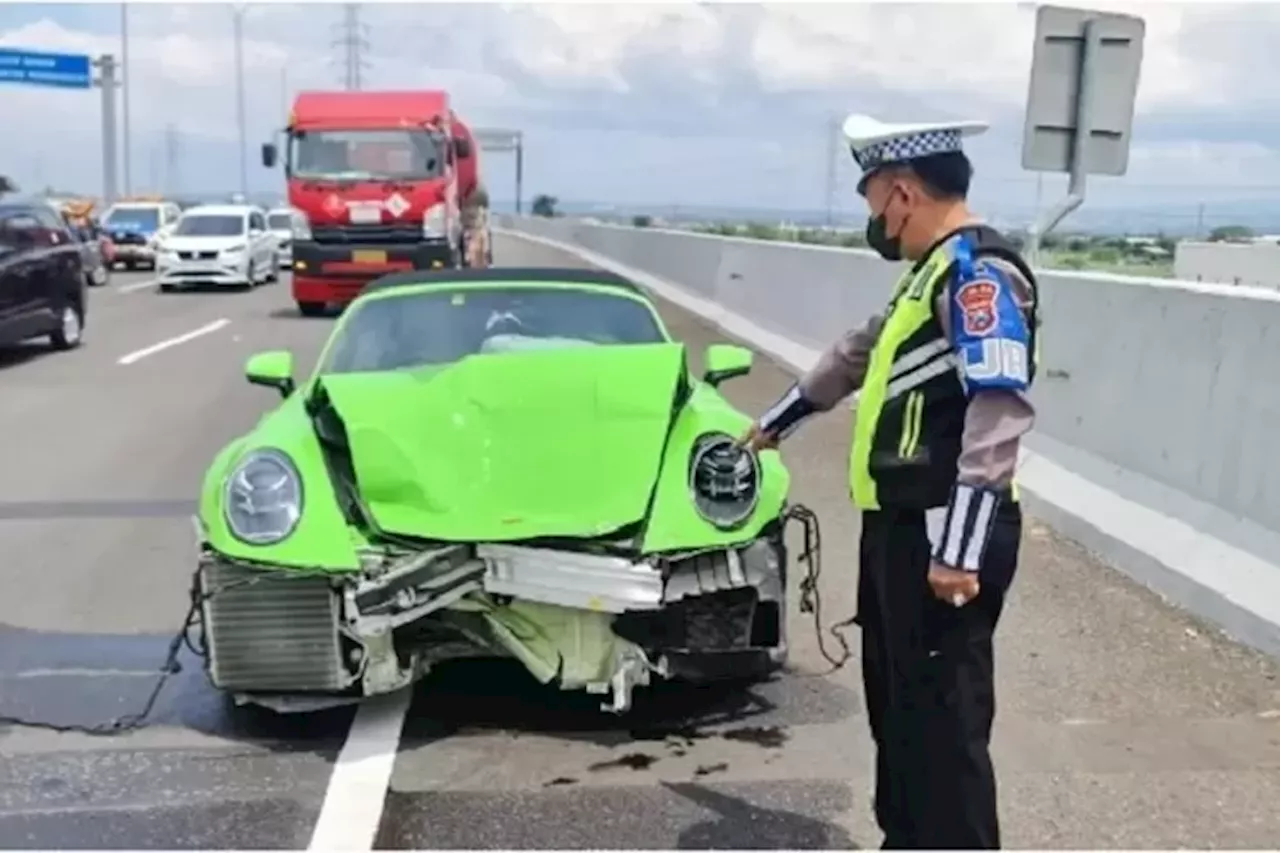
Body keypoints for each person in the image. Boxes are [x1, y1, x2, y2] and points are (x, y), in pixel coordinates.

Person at [741, 114, 1041, 849]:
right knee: (900, 706)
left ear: (903, 192)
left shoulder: (980, 277)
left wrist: (960, 549)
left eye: (874, 199)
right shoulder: (931, 274)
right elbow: (857, 353)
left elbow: (998, 408)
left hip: (945, 528)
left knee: (946, 721)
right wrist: (778, 420)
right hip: (903, 527)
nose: (874, 218)